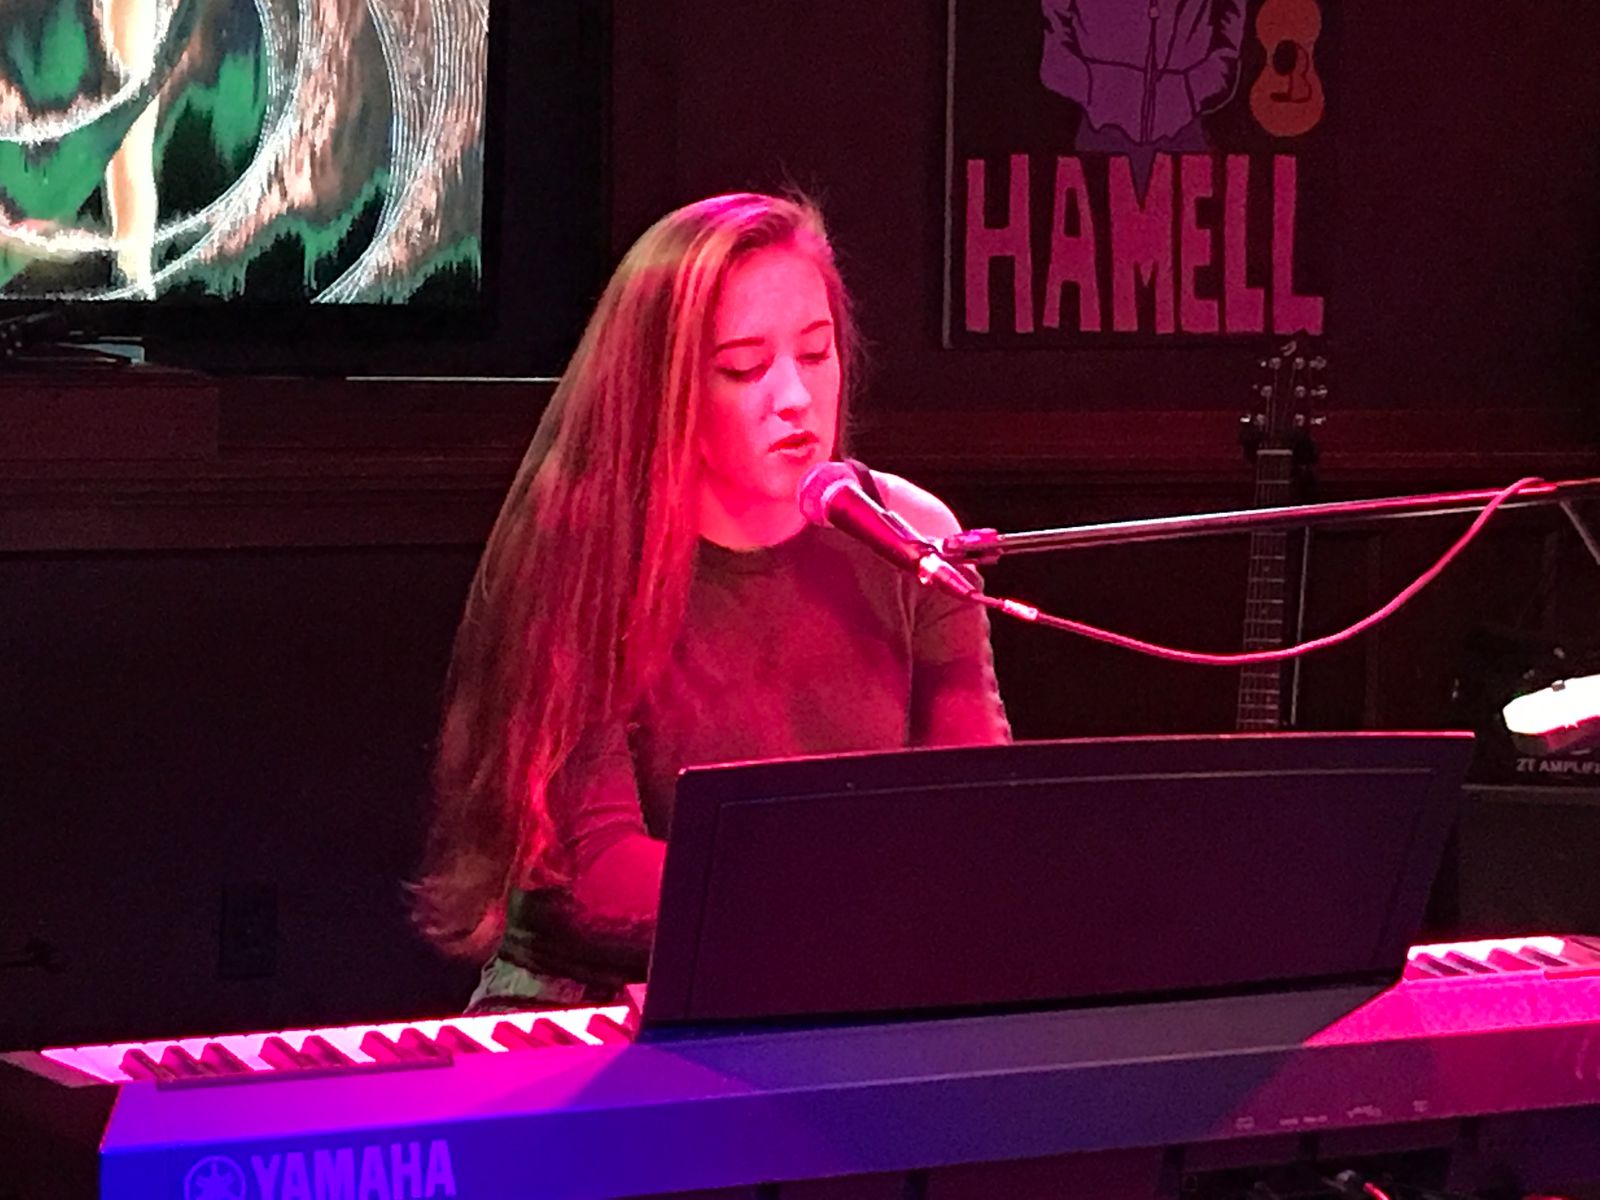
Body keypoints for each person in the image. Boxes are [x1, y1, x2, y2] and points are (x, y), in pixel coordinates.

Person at [411, 192, 1010, 1010]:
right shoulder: (584, 555)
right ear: (664, 387)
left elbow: (973, 816)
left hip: (842, 984)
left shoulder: (915, 538)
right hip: (596, 1000)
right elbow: (599, 879)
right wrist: (856, 892)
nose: (795, 396)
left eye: (817, 353)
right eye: (744, 367)